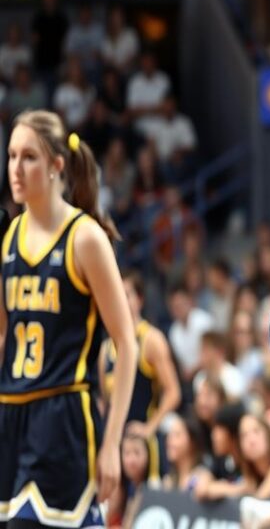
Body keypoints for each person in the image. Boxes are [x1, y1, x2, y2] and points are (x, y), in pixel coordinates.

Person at [0, 110, 137, 527]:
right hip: (11, 412)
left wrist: (112, 442)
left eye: (29, 157)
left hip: (63, 414)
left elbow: (127, 344)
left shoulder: (85, 237)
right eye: (10, 156)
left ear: (57, 165)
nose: (15, 169)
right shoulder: (9, 237)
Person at [99, 271, 181, 484]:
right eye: (116, 294)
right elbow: (104, 401)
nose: (120, 300)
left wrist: (150, 427)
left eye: (126, 294)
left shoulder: (151, 339)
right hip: (115, 443)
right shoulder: (105, 348)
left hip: (143, 445)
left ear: (140, 300)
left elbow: (173, 393)